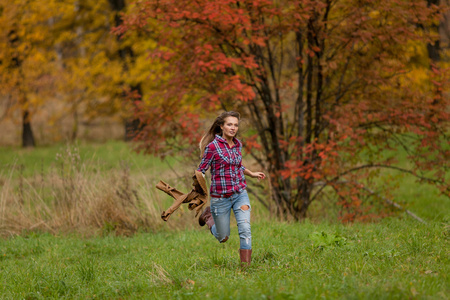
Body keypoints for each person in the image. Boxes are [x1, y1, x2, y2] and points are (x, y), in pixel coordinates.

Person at [197, 111, 265, 267]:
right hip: (220, 198)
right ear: (221, 126)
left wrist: (252, 173)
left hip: (240, 193)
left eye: (235, 125)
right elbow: (201, 170)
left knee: (245, 229)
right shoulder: (212, 147)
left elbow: (237, 165)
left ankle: (246, 268)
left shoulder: (238, 144)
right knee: (223, 236)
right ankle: (209, 217)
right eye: (229, 124)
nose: (233, 128)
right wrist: (198, 190)